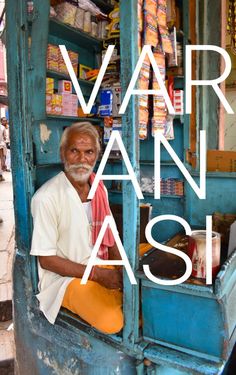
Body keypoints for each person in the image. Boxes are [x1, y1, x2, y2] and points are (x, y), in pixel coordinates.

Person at [30, 122, 123, 334]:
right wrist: (99, 275)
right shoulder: (47, 198)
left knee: (146, 286)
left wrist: (123, 268)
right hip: (67, 278)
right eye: (74, 151)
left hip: (100, 264)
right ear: (63, 154)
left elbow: (112, 235)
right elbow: (46, 259)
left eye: (89, 152)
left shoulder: (99, 189)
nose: (82, 160)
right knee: (112, 321)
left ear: (96, 155)